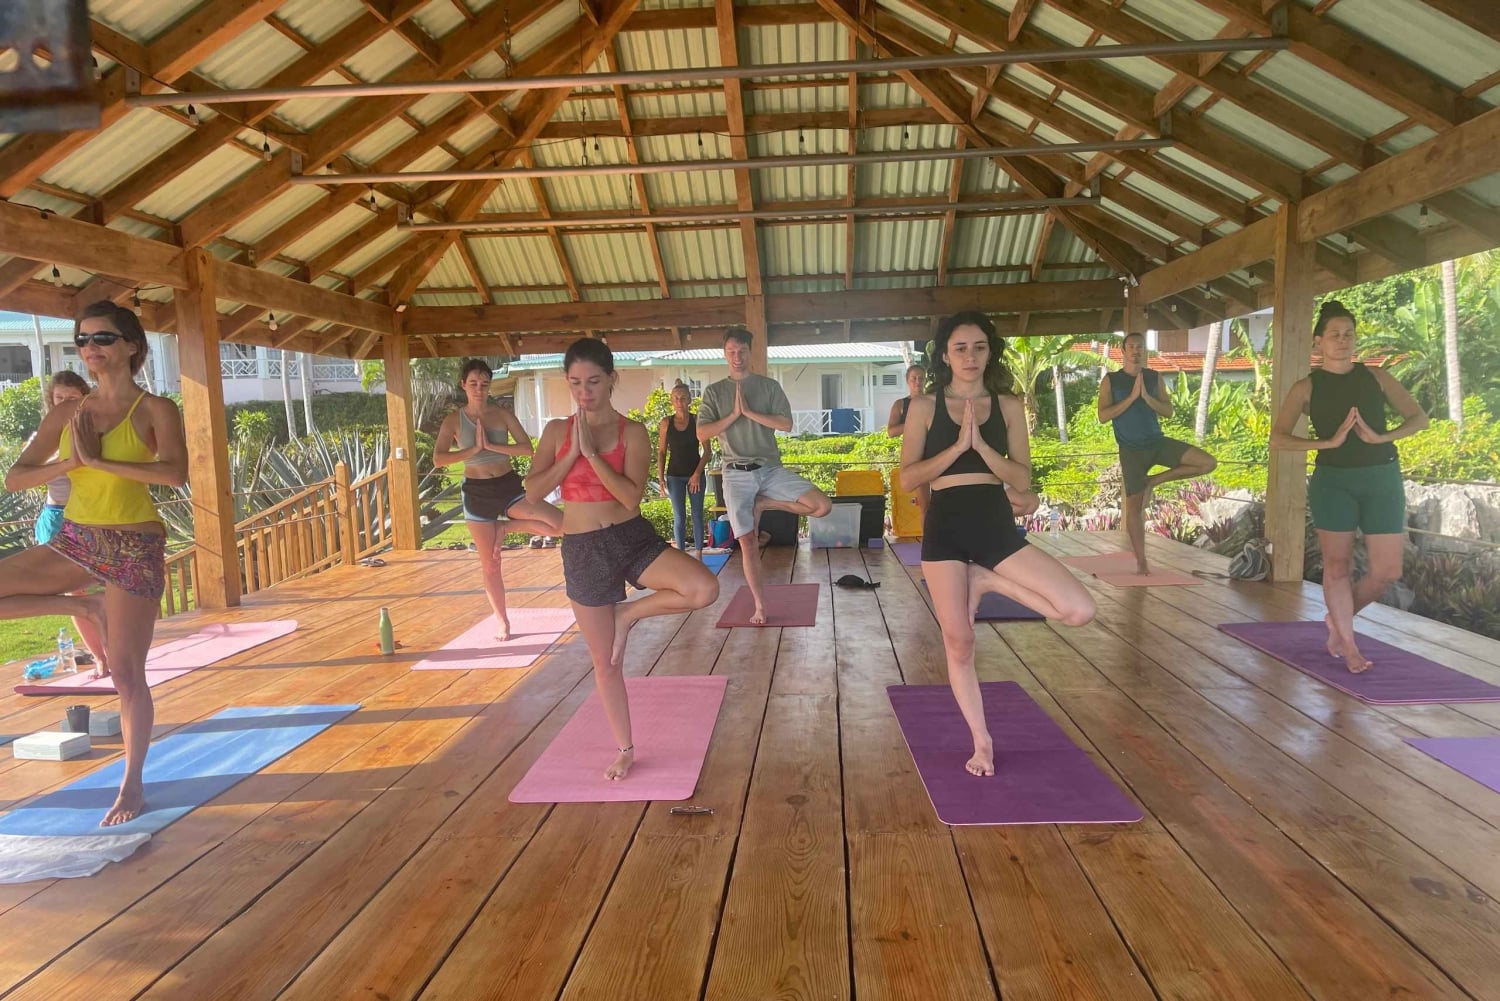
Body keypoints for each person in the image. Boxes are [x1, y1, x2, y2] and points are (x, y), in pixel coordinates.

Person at [0, 302, 188, 826]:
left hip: (134, 545)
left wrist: (100, 461)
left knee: (128, 676)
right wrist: (70, 462)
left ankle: (132, 785)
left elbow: (175, 474)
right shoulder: (67, 414)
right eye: (82, 340)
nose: (90, 349)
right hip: (77, 539)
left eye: (102, 338)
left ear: (130, 345)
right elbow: (16, 477)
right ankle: (86, 606)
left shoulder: (156, 409)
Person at [901, 311, 1095, 777]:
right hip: (945, 527)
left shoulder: (1009, 405)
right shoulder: (924, 407)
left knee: (1078, 610)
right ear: (945, 355)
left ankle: (987, 580)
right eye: (961, 348)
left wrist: (984, 449)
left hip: (994, 524)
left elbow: (1022, 477)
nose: (970, 356)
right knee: (959, 642)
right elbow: (908, 476)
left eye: (979, 347)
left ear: (991, 351)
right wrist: (954, 448)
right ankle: (981, 741)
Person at [526, 338, 718, 780]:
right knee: (607, 662)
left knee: (704, 588)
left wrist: (592, 455)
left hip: (629, 537)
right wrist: (571, 454)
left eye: (593, 381)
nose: (584, 391)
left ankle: (629, 613)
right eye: (575, 382)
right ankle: (625, 748)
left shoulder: (632, 432)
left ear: (611, 380)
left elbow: (631, 498)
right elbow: (533, 492)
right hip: (582, 549)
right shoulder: (556, 431)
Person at [1270, 300, 1428, 673]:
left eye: (1349, 335)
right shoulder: (1306, 387)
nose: (1342, 341)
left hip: (1381, 476)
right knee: (1336, 566)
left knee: (1387, 571)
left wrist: (1380, 438)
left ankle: (1337, 620)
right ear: (1318, 343)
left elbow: (1418, 419)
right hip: (1333, 481)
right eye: (1334, 335)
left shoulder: (1376, 377)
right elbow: (1278, 438)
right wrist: (1325, 443)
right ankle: (1350, 645)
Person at [696, 327, 832, 625]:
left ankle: (764, 504)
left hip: (770, 470)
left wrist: (749, 412)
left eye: (742, 351)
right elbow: (702, 432)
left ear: (750, 352)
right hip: (736, 474)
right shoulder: (714, 392)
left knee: (822, 506)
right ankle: (759, 605)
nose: (737, 357)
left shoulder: (768, 387)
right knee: (748, 543)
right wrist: (733, 414)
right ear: (724, 354)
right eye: (731, 352)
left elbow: (785, 424)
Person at [434, 359, 562, 641]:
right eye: (473, 384)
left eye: (484, 384)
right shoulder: (454, 420)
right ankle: (502, 621)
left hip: (507, 486)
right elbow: (439, 458)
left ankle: (505, 529)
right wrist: (473, 450)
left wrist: (490, 446)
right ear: (463, 385)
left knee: (560, 524)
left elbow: (527, 449)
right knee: (491, 563)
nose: (479, 389)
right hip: (477, 494)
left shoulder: (501, 414)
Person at [1097, 331, 1217, 575]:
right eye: (1131, 346)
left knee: (1207, 462)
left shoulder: (1154, 378)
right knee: (1134, 508)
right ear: (1123, 350)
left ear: (1145, 350)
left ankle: (1154, 480)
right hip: (1131, 450)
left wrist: (1146, 398)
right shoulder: (1111, 380)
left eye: (1140, 346)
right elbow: (1103, 416)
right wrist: (1131, 397)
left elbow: (1168, 411)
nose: (1136, 350)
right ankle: (1141, 561)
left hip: (1157, 442)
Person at [28, 371, 107, 672]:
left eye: (72, 398)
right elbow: (23, 473)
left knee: (108, 588)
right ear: (51, 401)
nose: (64, 404)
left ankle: (115, 652)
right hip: (59, 517)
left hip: (93, 517)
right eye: (59, 398)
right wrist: (63, 462)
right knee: (76, 593)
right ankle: (100, 658)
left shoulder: (95, 430)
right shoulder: (43, 438)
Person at [656, 380, 711, 559]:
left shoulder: (697, 421)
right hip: (674, 476)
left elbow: (707, 451)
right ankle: (681, 556)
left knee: (697, 515)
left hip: (695, 475)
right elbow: (662, 451)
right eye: (676, 398)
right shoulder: (666, 423)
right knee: (679, 516)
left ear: (689, 400)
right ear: (672, 401)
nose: (680, 402)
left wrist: (696, 474)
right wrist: (661, 477)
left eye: (683, 398)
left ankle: (699, 555)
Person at [887, 363, 931, 519]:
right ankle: (927, 541)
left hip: (935, 452)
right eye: (914, 378)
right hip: (916, 457)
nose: (917, 382)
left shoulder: (933, 401)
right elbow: (891, 431)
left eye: (921, 378)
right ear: (907, 381)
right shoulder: (901, 404)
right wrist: (914, 423)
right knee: (925, 504)